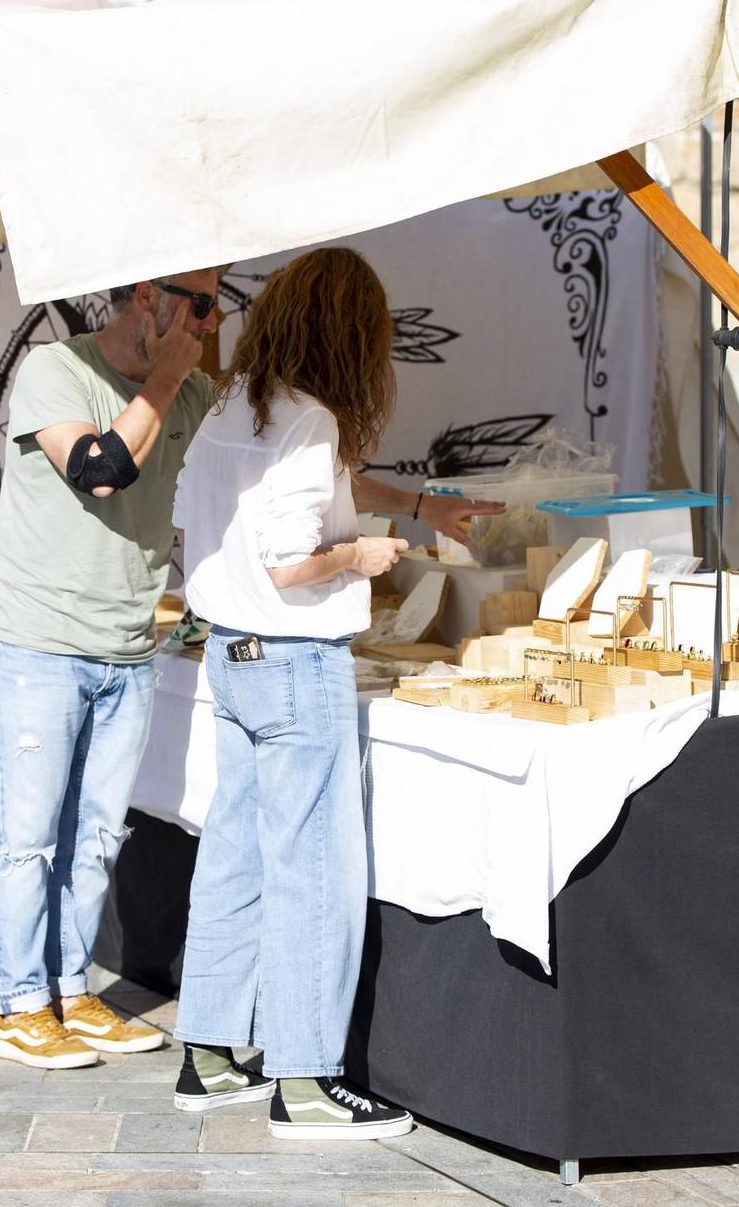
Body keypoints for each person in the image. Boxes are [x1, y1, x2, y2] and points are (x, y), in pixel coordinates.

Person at [170, 247, 488, 1139]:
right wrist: (360, 555)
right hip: (293, 660)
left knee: (234, 852)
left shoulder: (238, 405)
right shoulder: (306, 421)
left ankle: (209, 1048)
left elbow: (320, 490)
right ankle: (306, 1078)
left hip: (233, 657)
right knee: (315, 867)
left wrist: (418, 506)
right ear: (353, 335)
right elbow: (292, 557)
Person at [0, 270, 223, 1069]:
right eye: (203, 302)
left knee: (95, 838)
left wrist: (420, 506)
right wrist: (167, 378)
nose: (213, 321)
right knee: (27, 839)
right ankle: (18, 1004)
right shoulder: (56, 370)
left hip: (128, 649)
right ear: (150, 297)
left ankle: (70, 988)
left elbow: (252, 465)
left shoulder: (187, 394)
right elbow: (99, 467)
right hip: (39, 646)